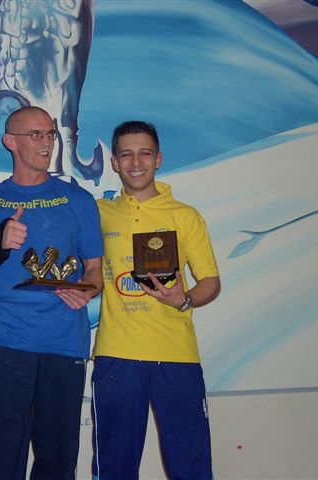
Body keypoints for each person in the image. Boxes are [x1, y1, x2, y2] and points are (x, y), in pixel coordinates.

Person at [0, 106, 103, 480]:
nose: (46, 142)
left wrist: (86, 291)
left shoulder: (79, 200)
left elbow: (95, 271)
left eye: (50, 133)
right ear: (10, 141)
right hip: (7, 345)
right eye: (35, 134)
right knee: (1, 463)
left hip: (64, 345)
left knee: (58, 463)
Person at [92, 120, 221, 479]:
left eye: (144, 153)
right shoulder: (98, 213)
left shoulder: (185, 216)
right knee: (114, 468)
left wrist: (184, 300)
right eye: (126, 154)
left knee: (190, 466)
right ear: (115, 162)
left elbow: (211, 282)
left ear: (158, 159)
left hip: (176, 354)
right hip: (116, 355)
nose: (136, 162)